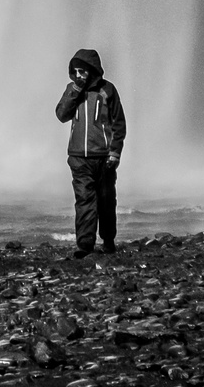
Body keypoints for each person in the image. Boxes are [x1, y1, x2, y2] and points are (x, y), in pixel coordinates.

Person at [55, 48, 126, 258]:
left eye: (82, 71)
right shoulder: (72, 89)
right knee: (84, 200)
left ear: (92, 70)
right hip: (78, 157)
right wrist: (75, 90)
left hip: (104, 157)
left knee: (106, 200)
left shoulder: (107, 90)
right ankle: (84, 245)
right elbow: (61, 115)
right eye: (75, 71)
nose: (79, 75)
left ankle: (108, 240)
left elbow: (119, 124)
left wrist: (115, 152)